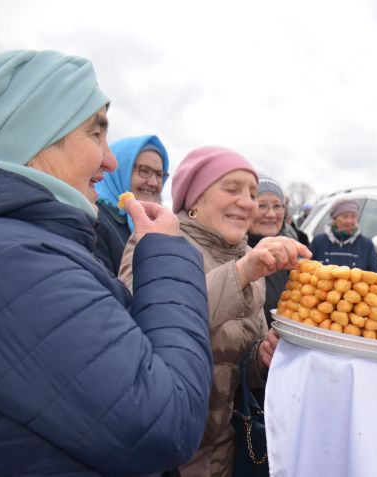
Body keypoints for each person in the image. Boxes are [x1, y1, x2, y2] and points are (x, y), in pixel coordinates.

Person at [0, 50, 213, 477]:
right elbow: (165, 420)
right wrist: (166, 253)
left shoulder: (17, 242)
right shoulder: (8, 260)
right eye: (95, 134)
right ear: (35, 134)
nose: (110, 160)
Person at [119, 145, 311, 477]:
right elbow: (144, 327)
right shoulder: (155, 241)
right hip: (165, 453)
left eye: (251, 193)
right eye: (232, 189)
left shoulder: (249, 257)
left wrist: (262, 357)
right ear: (193, 198)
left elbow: (234, 368)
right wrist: (240, 274)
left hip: (224, 448)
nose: (247, 202)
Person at [94, 134, 170, 275]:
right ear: (121, 171)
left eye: (159, 174)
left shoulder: (156, 225)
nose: (153, 182)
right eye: (144, 171)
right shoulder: (96, 222)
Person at [247, 173, 294, 326]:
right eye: (261, 205)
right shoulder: (232, 253)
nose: (271, 214)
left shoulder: (292, 252)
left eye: (277, 206)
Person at [309, 198, 377, 272]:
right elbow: (307, 271)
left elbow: (376, 277)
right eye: (345, 216)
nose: (349, 221)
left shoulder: (366, 244)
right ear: (334, 219)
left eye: (353, 217)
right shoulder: (319, 241)